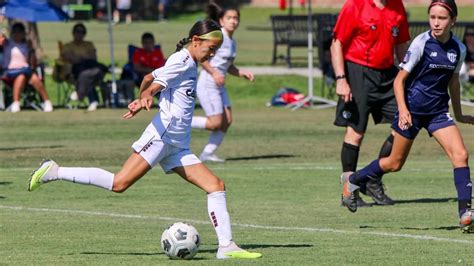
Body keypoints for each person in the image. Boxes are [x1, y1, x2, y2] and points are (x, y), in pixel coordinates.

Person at [28, 19, 262, 260]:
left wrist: (141, 98)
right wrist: (147, 96)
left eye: (216, 49)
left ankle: (226, 247)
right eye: (210, 48)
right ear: (195, 41)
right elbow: (155, 85)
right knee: (119, 183)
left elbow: (149, 77)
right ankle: (54, 171)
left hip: (178, 145)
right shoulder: (181, 61)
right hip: (162, 137)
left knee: (216, 187)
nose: (212, 53)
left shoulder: (188, 61)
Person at [341, 0, 474, 233]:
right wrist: (403, 111)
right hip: (412, 111)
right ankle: (352, 180)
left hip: (437, 113)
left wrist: (460, 114)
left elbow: (453, 81)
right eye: (432, 17)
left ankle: (466, 213)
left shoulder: (458, 49)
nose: (436, 22)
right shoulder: (422, 42)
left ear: (453, 20)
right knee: (394, 163)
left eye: (442, 18)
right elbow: (399, 80)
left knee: (461, 155)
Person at [330, 0, 410, 206]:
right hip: (359, 72)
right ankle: (349, 191)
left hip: (388, 74)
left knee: (404, 123)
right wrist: (341, 79)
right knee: (356, 133)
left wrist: (406, 75)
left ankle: (373, 178)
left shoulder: (397, 6)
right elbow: (337, 43)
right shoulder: (354, 5)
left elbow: (401, 45)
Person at [191, 3, 254, 162]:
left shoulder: (232, 42)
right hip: (208, 84)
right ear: (221, 20)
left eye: (236, 18)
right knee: (215, 123)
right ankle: (177, 120)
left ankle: (207, 154)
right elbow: (202, 58)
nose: (233, 21)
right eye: (230, 18)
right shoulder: (219, 37)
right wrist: (214, 73)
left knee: (227, 121)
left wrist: (241, 73)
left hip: (219, 85)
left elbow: (227, 66)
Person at [0, 22, 53, 113]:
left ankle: (46, 102)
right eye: (15, 32)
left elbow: (31, 63)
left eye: (19, 32)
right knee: (24, 75)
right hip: (9, 72)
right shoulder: (7, 44)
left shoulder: (26, 45)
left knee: (28, 77)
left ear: (23, 33)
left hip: (25, 71)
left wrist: (31, 49)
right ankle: (16, 103)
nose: (17, 34)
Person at [61, 23, 107, 111]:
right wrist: (83, 58)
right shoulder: (67, 46)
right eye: (77, 32)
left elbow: (93, 58)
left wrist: (79, 58)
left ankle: (79, 94)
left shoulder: (89, 44)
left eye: (81, 32)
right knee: (85, 76)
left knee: (86, 75)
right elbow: (68, 58)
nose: (79, 34)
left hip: (93, 70)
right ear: (73, 33)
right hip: (75, 72)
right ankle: (93, 100)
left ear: (84, 33)